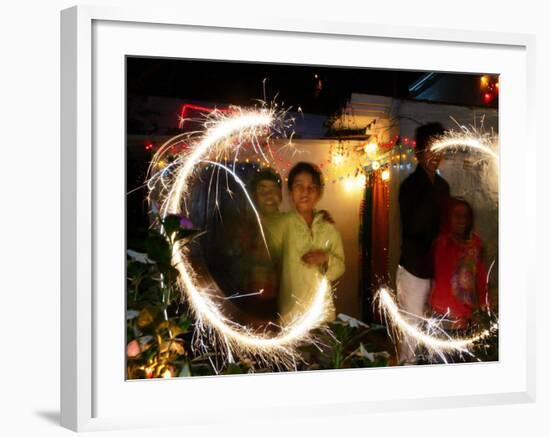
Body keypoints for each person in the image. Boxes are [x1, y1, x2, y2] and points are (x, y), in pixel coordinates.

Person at [396, 122, 450, 364]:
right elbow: (414, 227)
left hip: (438, 268)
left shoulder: (443, 186)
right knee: (412, 330)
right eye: (431, 148)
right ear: (418, 152)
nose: (436, 154)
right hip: (414, 269)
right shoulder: (410, 186)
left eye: (441, 148)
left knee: (434, 327)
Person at [273, 162, 345, 324]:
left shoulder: (328, 227)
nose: (305, 192)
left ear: (319, 193)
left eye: (312, 187)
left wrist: (326, 258)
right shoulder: (282, 224)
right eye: (299, 186)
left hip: (322, 315)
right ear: (290, 192)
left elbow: (340, 267)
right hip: (291, 316)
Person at [429, 197, 489, 331]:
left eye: (465, 216)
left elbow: (481, 279)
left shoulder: (477, 244)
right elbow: (435, 278)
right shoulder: (441, 243)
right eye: (457, 216)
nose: (462, 220)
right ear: (448, 218)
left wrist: (482, 309)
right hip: (442, 316)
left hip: (469, 317)